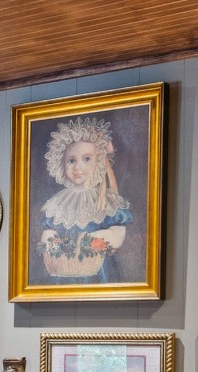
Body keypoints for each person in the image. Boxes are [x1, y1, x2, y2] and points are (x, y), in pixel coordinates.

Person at [36, 115, 131, 282]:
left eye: (86, 159)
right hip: (65, 269)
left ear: (99, 162)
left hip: (99, 270)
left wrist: (94, 241)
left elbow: (118, 233)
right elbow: (49, 232)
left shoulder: (105, 199)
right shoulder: (57, 203)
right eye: (71, 161)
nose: (78, 167)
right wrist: (51, 244)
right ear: (61, 164)